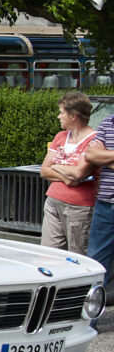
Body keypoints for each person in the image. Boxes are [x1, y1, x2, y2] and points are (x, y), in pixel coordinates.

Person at [40, 92, 100, 255]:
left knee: (78, 254)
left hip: (79, 207)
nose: (59, 116)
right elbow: (44, 170)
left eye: (62, 112)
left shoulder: (93, 140)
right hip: (53, 201)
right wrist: (65, 178)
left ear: (73, 115)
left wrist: (56, 165)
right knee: (49, 254)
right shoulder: (60, 136)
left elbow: (78, 172)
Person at [85, 111, 114, 295]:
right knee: (95, 266)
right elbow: (91, 155)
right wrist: (97, 154)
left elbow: (98, 156)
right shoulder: (108, 122)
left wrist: (104, 155)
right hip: (104, 205)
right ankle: (89, 323)